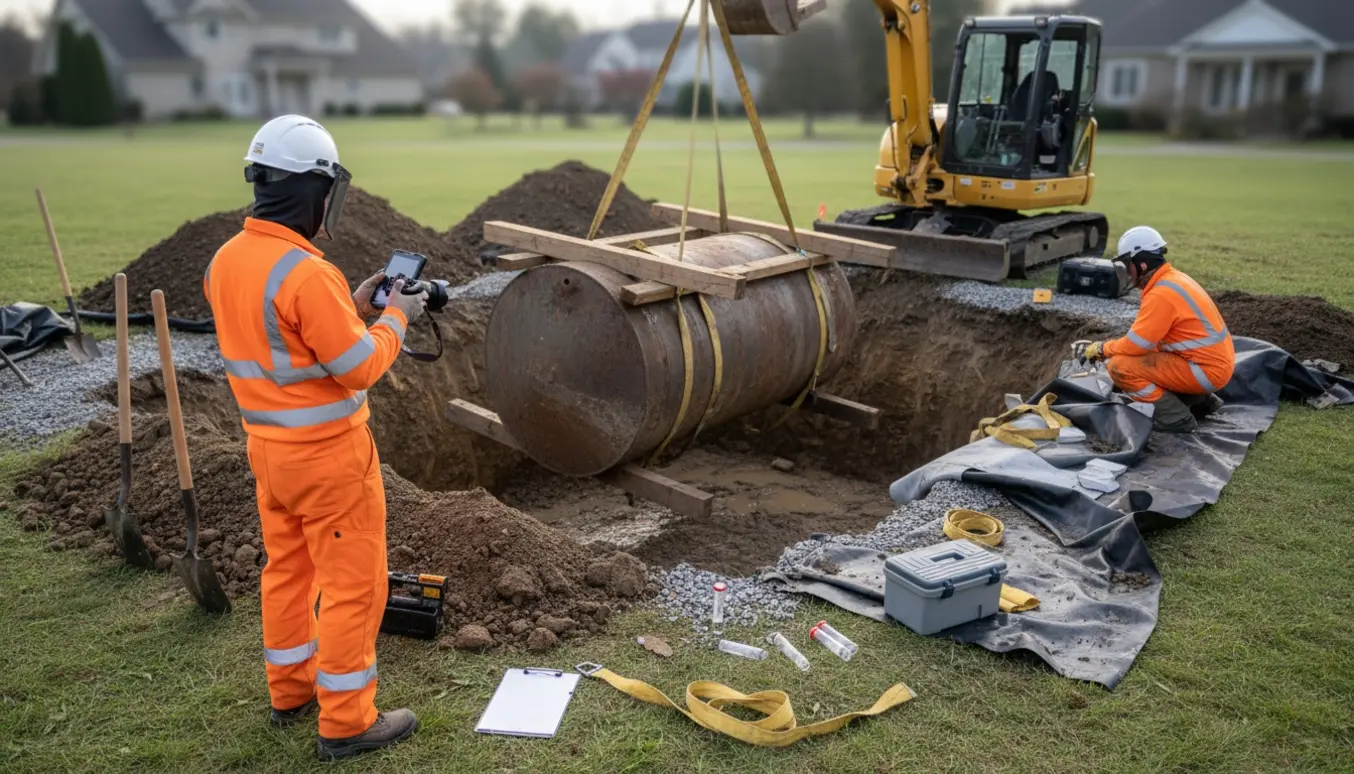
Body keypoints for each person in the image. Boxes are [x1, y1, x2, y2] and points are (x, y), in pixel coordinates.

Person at [202, 114, 428, 761]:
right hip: (330, 461)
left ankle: (290, 689)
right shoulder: (306, 273)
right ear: (314, 193)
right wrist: (394, 316)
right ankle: (349, 720)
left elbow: (281, 342)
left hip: (270, 455)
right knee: (355, 585)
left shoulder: (228, 261)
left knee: (288, 573)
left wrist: (350, 308)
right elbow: (357, 365)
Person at [1075, 226, 1234, 433]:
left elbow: (1136, 344)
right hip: (1211, 365)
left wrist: (1103, 349)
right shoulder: (1173, 280)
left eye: (1127, 264)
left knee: (1119, 367)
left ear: (1141, 263)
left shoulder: (1161, 294)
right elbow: (1148, 341)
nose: (1127, 272)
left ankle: (1176, 418)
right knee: (1149, 357)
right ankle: (1202, 402)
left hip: (1206, 371)